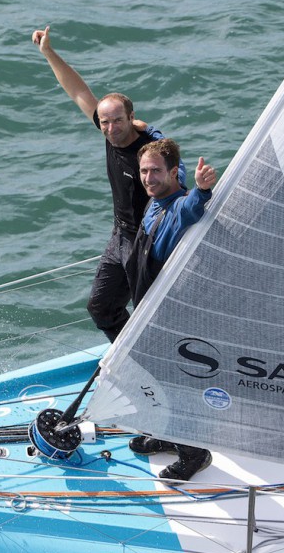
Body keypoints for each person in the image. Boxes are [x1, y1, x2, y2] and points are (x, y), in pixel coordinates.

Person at [31, 26, 184, 342]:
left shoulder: (149, 146)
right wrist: (48, 52)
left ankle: (155, 351)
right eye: (105, 122)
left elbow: (175, 177)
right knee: (100, 307)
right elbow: (78, 92)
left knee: (149, 308)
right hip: (121, 235)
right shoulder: (108, 133)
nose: (111, 129)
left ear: (131, 117)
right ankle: (135, 351)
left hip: (149, 241)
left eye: (118, 121)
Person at [124, 138, 217, 482]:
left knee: (166, 381)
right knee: (151, 376)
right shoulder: (155, 201)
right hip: (148, 307)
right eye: (144, 171)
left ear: (174, 172)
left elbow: (192, 209)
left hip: (172, 313)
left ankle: (194, 453)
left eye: (156, 171)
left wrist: (203, 190)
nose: (148, 178)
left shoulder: (177, 205)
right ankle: (167, 434)